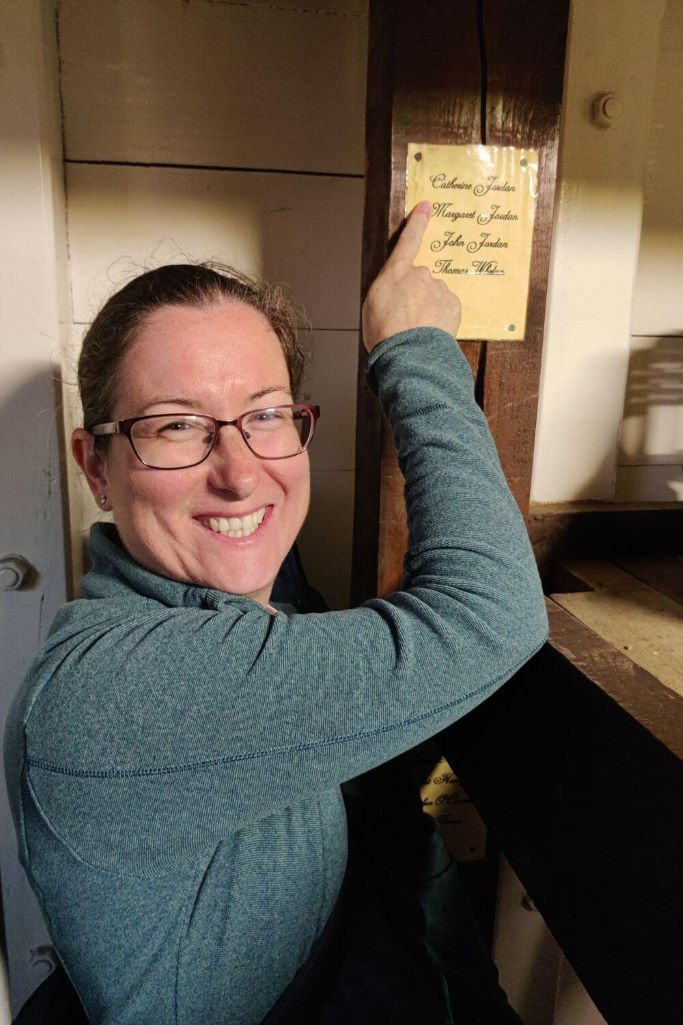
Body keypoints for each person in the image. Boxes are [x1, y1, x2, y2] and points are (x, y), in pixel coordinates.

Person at [5, 203, 548, 1024]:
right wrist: (413, 346)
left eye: (265, 414)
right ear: (98, 468)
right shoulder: (124, 688)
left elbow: (264, 549)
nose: (239, 472)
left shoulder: (222, 595)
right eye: (176, 425)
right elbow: (491, 612)